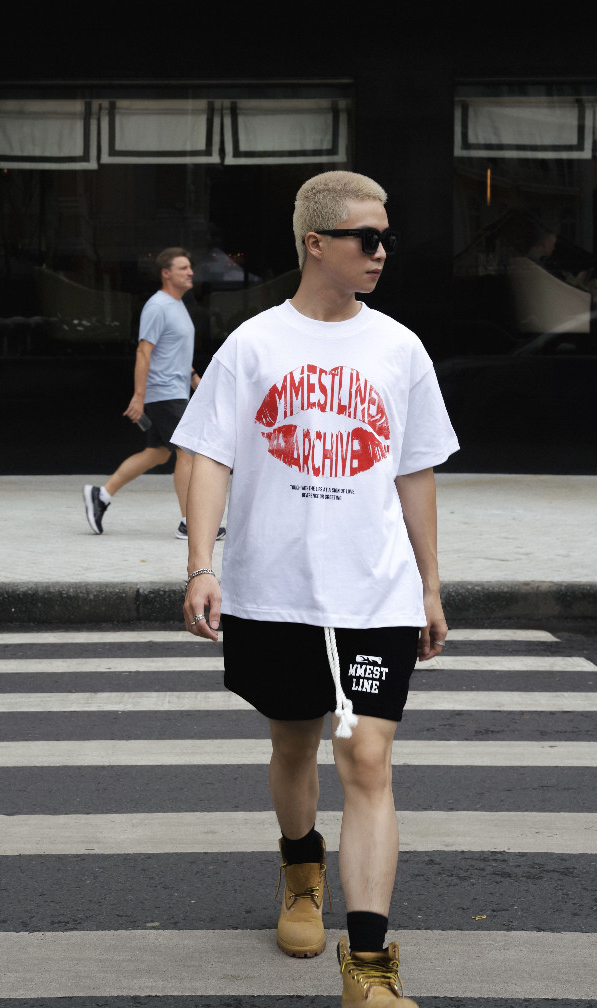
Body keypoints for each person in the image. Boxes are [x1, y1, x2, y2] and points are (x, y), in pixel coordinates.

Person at [172, 171, 459, 1006]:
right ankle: (302, 870)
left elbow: (415, 473)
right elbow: (208, 458)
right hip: (275, 591)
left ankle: (368, 971)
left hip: (375, 594)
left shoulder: (400, 349)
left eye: (387, 238)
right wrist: (201, 565)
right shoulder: (255, 344)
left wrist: (431, 586)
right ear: (316, 243)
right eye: (367, 238)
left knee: (366, 757)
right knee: (294, 745)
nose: (382, 252)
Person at [82, 247, 225, 540]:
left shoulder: (178, 305)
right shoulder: (157, 306)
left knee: (158, 454)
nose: (190, 272)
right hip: (164, 393)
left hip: (175, 390)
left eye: (190, 267)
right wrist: (138, 396)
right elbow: (143, 352)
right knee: (188, 452)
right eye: (183, 268)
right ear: (166, 273)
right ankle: (190, 523)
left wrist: (195, 380)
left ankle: (101, 495)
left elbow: (173, 353)